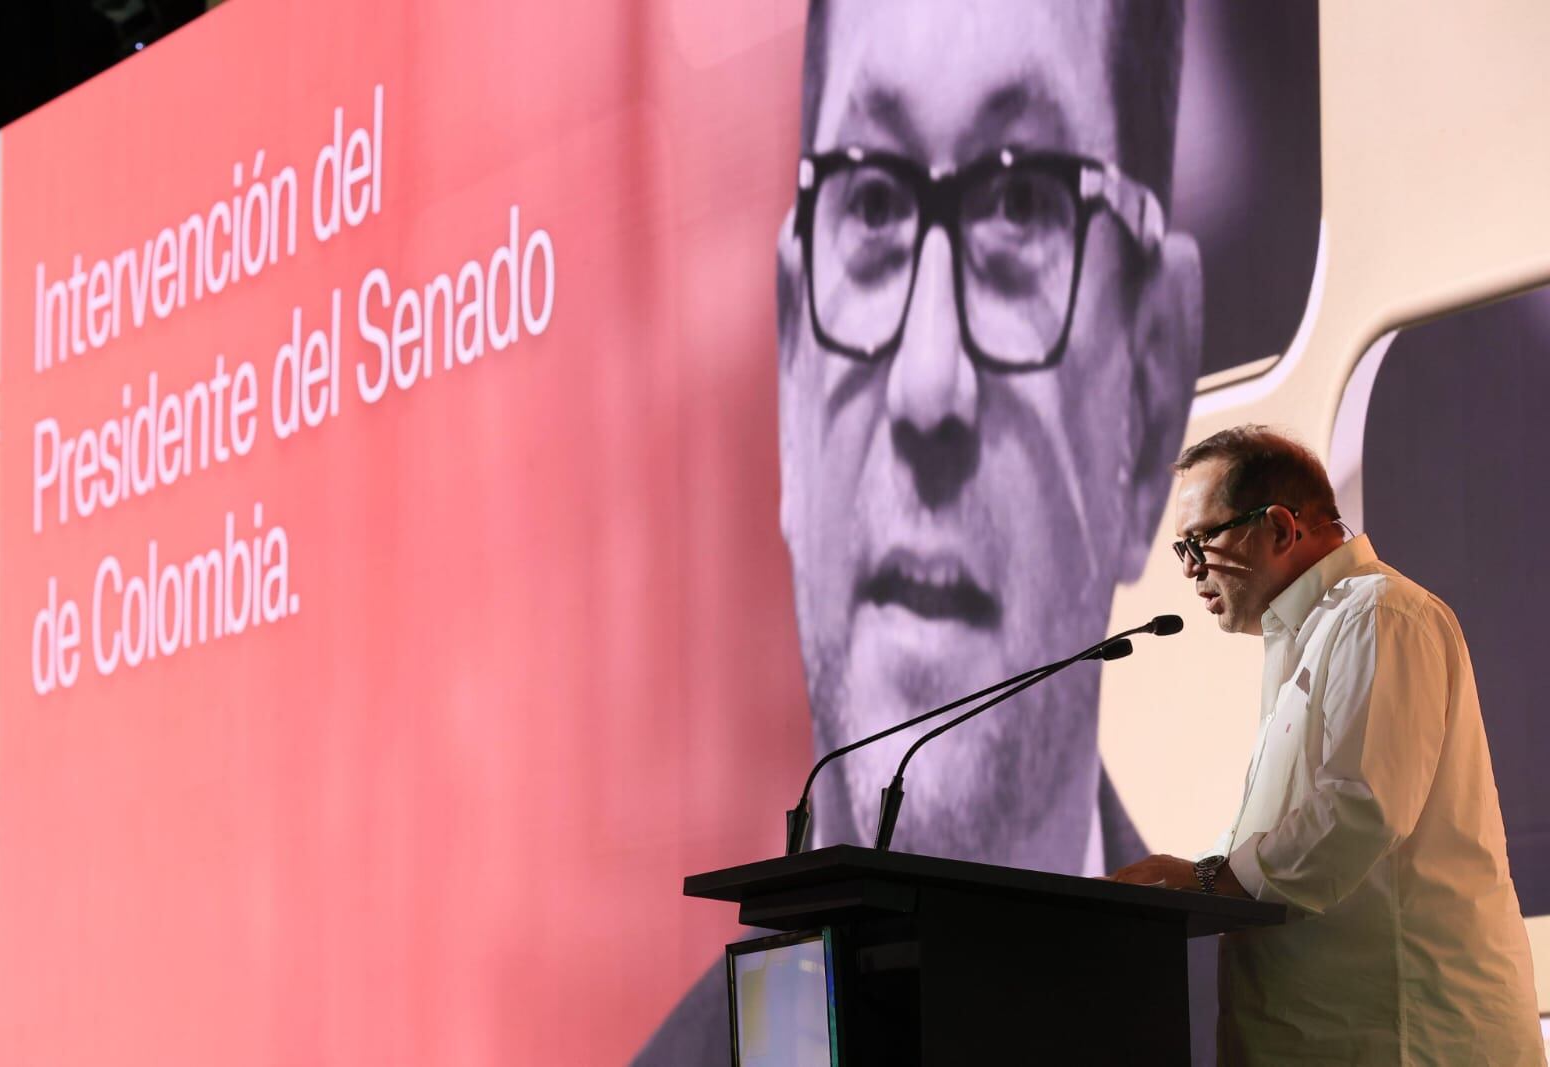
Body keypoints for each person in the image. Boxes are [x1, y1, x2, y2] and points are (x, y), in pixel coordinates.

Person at [636, 1, 1204, 1061]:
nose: (928, 382)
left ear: (1151, 388)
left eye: (1020, 207)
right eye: (875, 205)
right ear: (791, 379)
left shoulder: (1254, 1033)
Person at [1109, 425, 1544, 1063]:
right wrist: (1178, 875)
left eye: (1202, 540)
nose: (1190, 569)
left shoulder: (1380, 614)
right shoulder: (1313, 634)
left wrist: (1205, 878)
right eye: (1181, 548)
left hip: (1402, 1041)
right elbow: (1293, 835)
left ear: (1282, 529)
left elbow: (1359, 809)